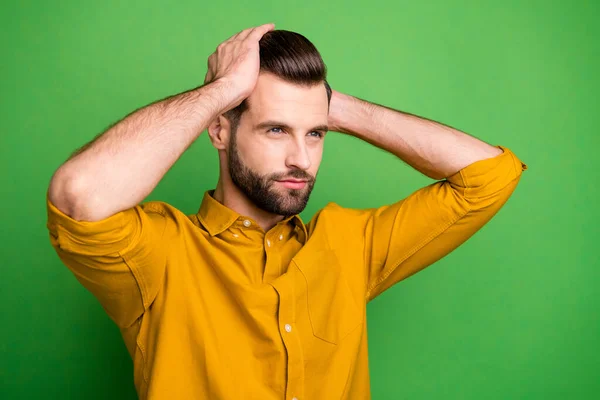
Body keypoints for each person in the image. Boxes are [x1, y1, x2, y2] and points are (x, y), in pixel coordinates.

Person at [46, 23, 527, 400]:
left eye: (315, 134)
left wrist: (332, 108)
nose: (302, 158)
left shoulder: (350, 245)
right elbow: (79, 195)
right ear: (220, 131)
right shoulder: (160, 255)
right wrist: (221, 90)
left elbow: (489, 178)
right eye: (276, 130)